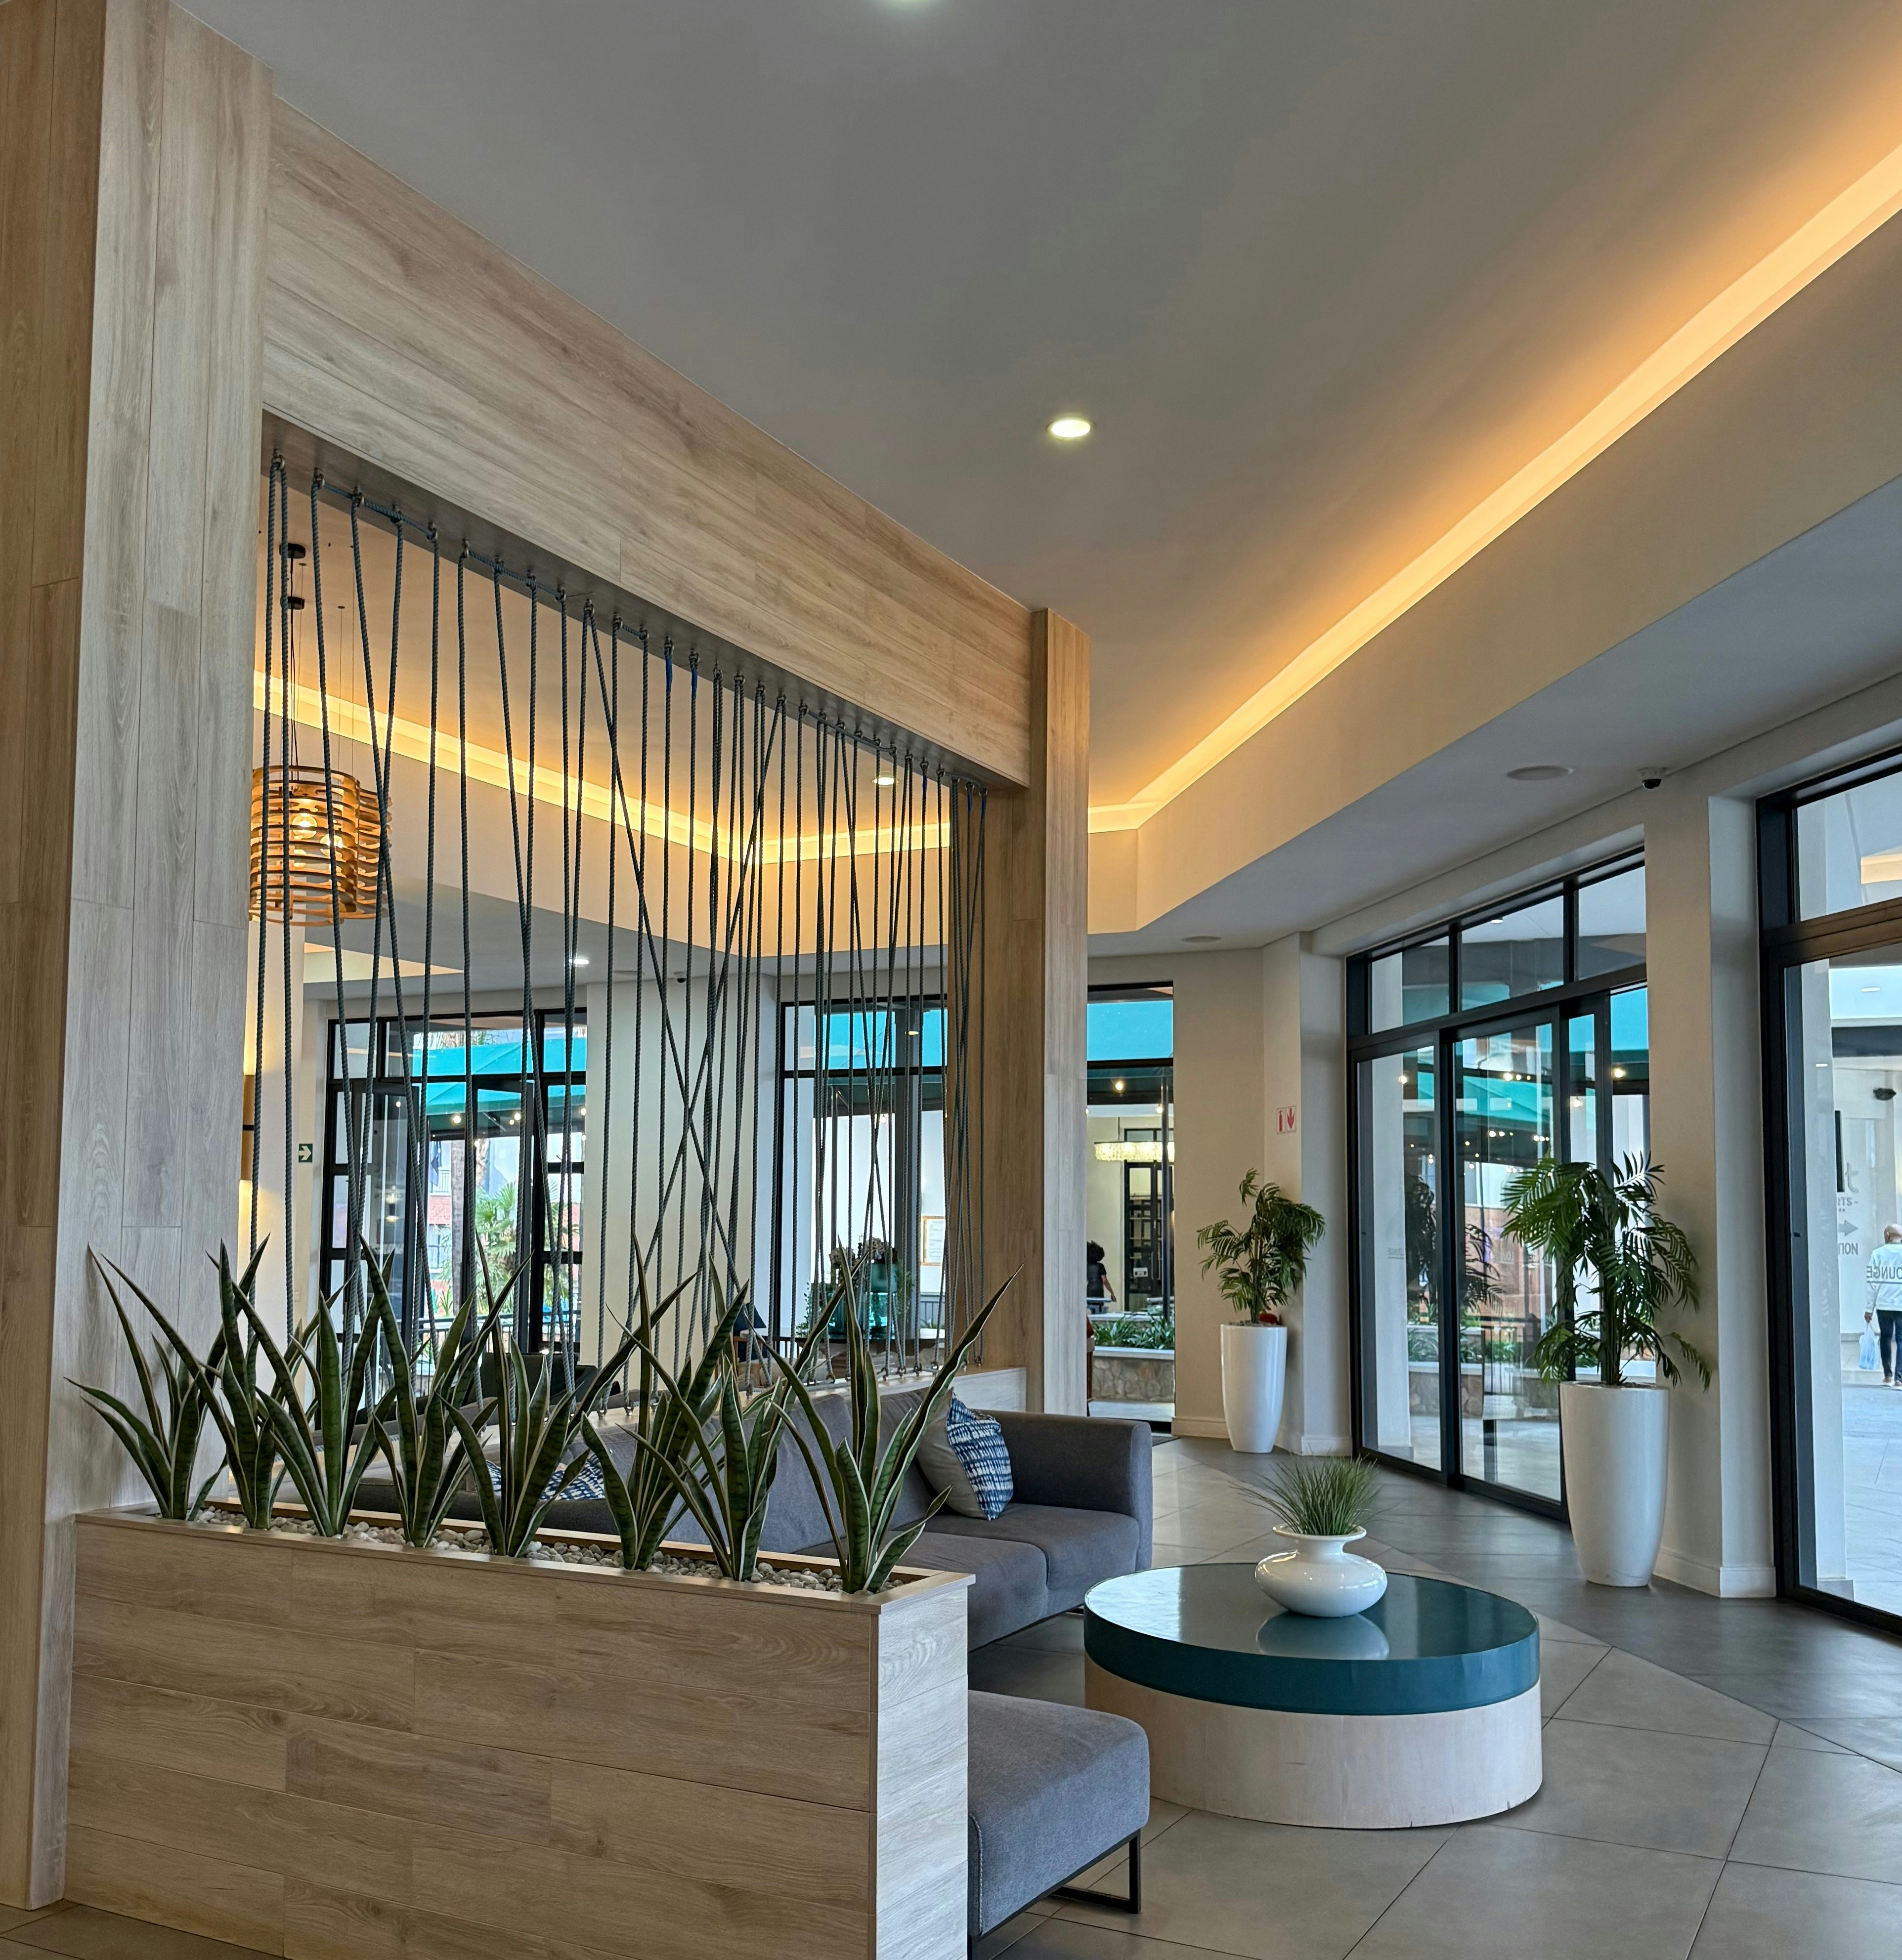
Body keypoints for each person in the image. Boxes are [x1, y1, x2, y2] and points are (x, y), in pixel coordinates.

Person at [1865, 1223, 1902, 1387]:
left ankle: (1888, 1376)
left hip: (1883, 1305)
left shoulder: (1877, 1254)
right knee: (1901, 1341)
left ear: (1887, 1235)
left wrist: (1869, 1309)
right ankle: (1899, 1379)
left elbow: (1872, 1283)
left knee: (1886, 1338)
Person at [1086, 1240, 1116, 1309]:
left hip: (1089, 1290)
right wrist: (1112, 1293)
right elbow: (1105, 1281)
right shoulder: (1100, 1266)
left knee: (1091, 1308)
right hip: (1098, 1291)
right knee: (1099, 1309)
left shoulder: (1087, 1267)